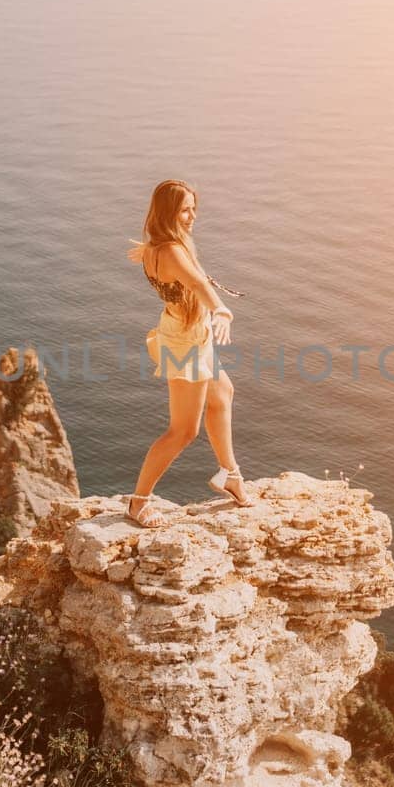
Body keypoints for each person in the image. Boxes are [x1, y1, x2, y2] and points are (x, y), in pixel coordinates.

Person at [121, 179, 249, 527]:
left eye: (194, 208)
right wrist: (221, 309)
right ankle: (139, 501)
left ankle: (230, 474)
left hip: (188, 334)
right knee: (183, 431)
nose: (192, 215)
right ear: (167, 213)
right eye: (184, 209)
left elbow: (183, 277)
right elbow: (196, 284)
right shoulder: (172, 250)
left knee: (222, 394)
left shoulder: (158, 246)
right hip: (187, 344)